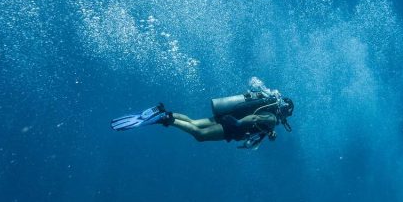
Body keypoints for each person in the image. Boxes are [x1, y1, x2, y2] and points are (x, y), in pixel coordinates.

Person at [111, 77, 294, 149]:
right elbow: (254, 118)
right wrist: (238, 124)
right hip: (233, 126)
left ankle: (165, 112)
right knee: (200, 135)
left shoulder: (270, 116)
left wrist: (267, 133)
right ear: (284, 112)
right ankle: (164, 119)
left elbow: (258, 123)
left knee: (194, 122)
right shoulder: (271, 118)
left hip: (229, 117)